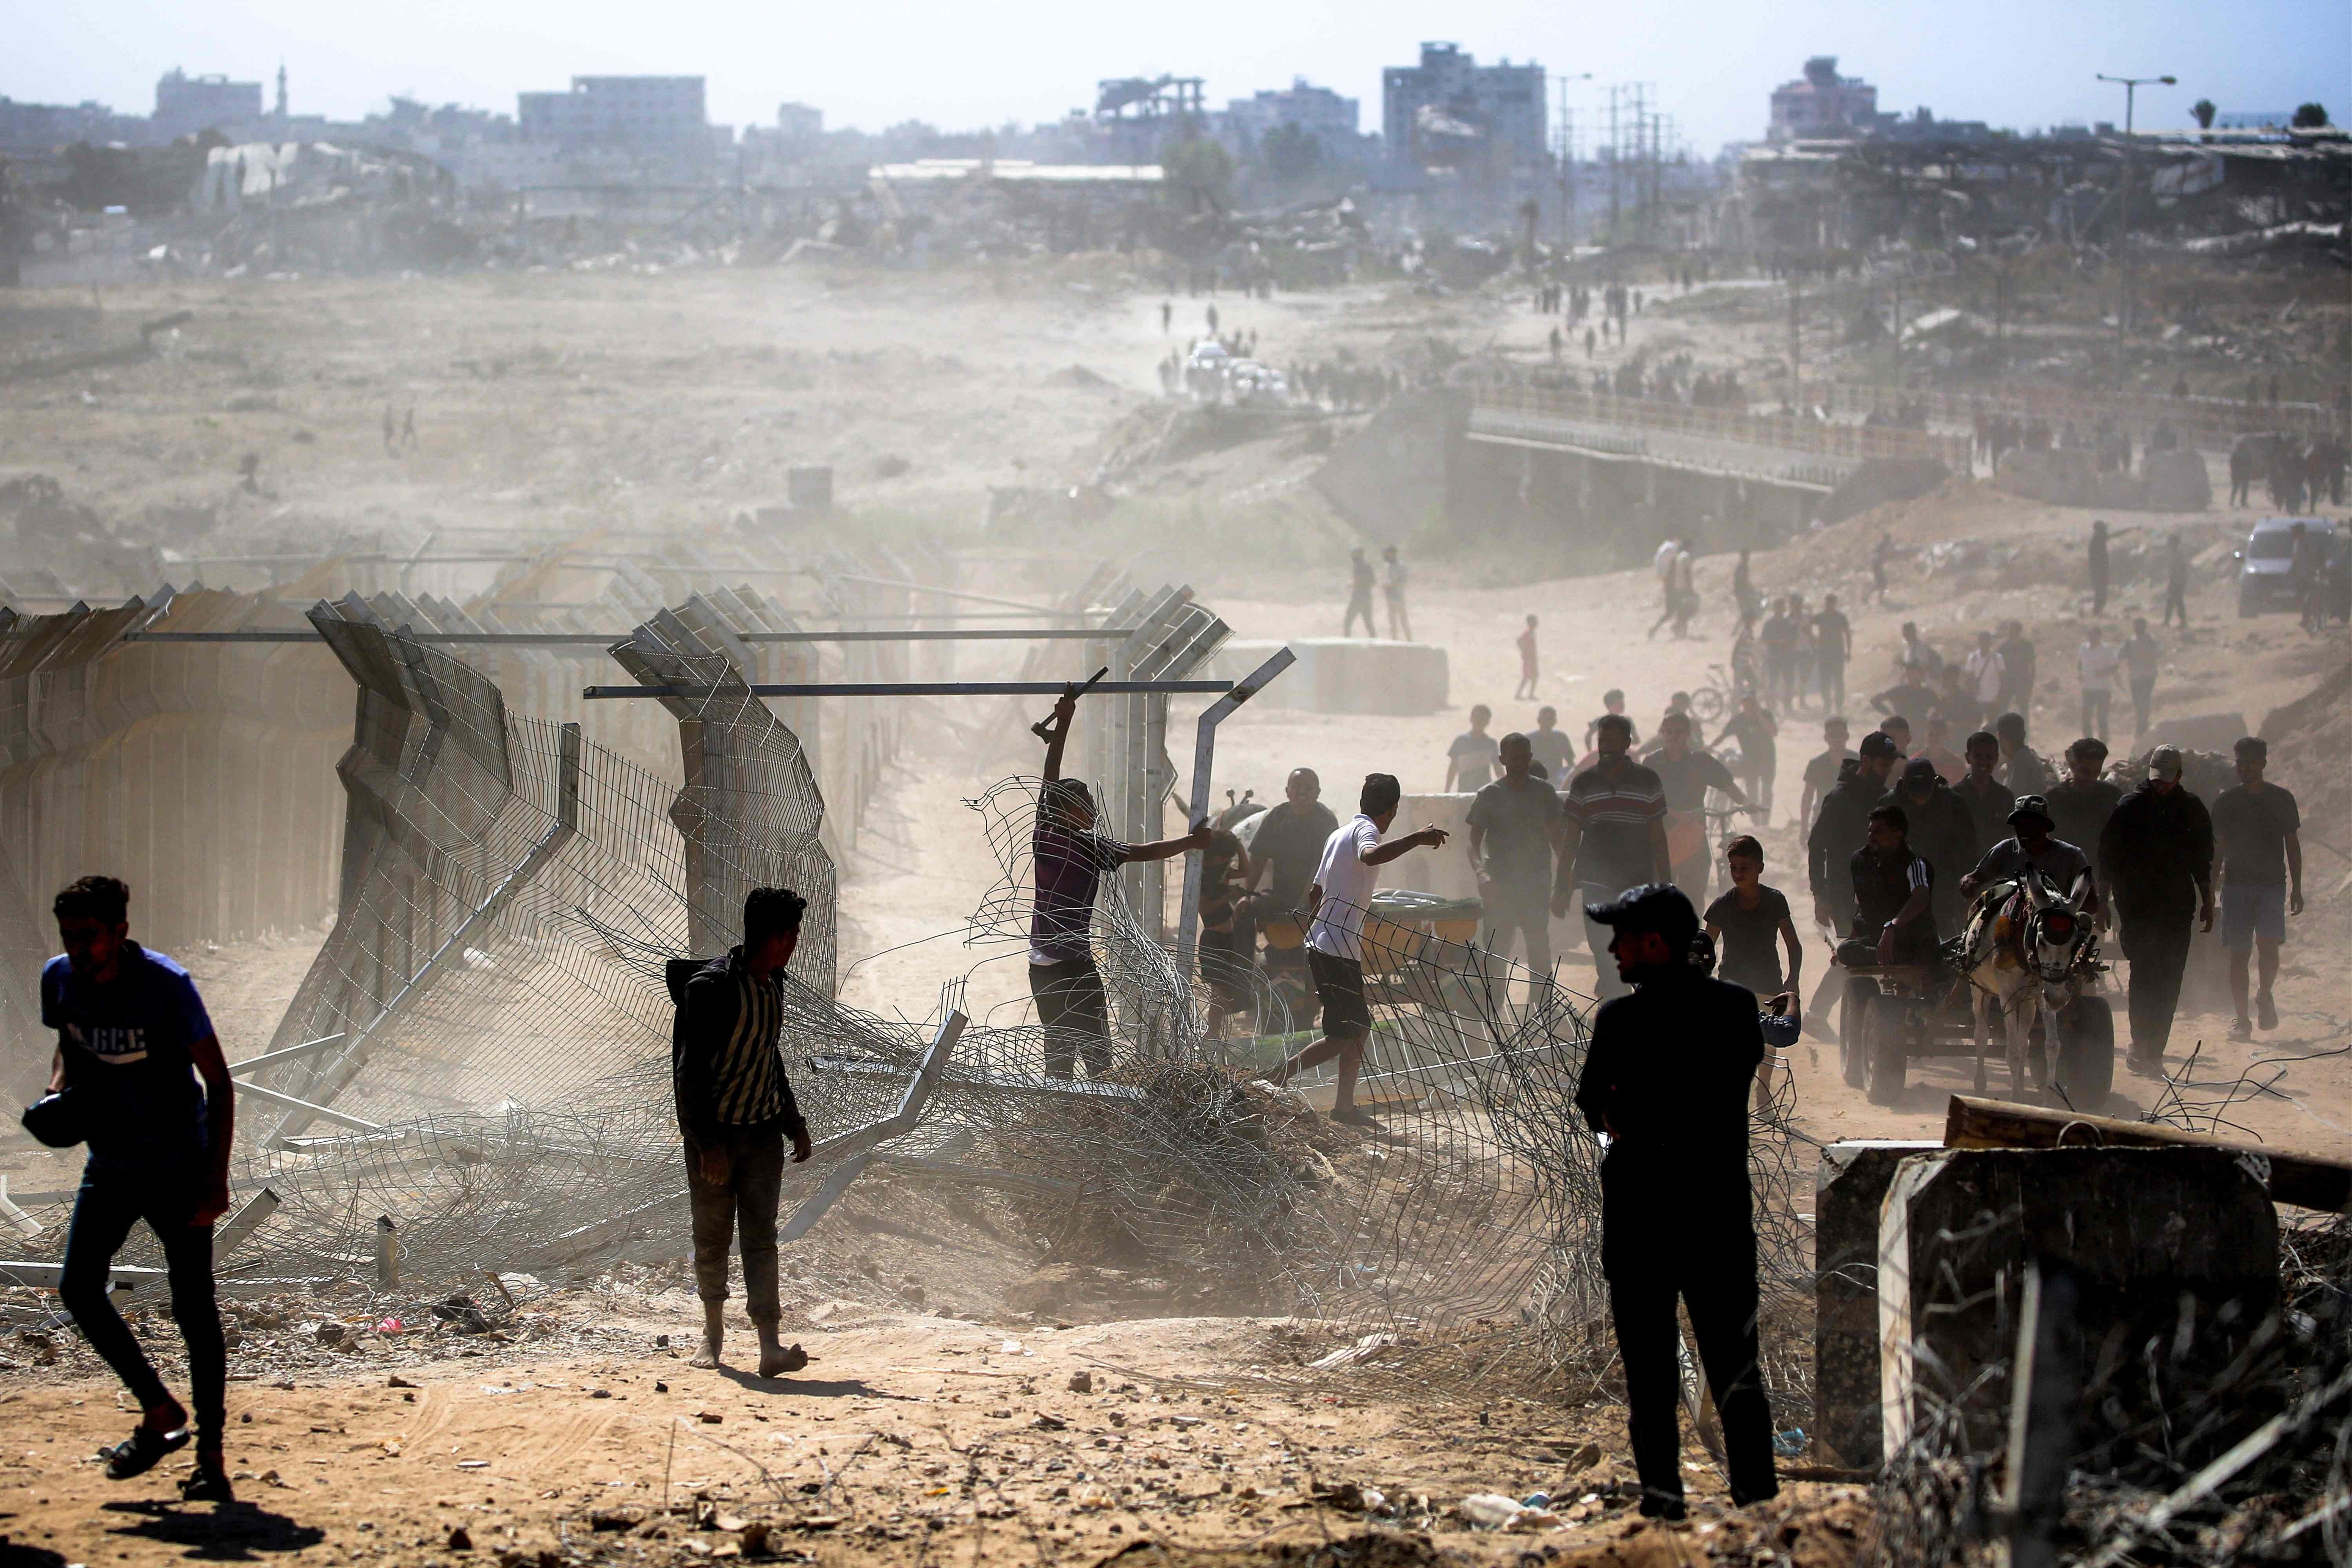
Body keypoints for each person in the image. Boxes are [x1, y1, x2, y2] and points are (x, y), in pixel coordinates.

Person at [1574, 883, 1780, 1521]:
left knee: (1651, 1376)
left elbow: (1594, 1110)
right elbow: (1731, 1082)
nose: (1613, 949)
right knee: (1736, 1368)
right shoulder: (1736, 1009)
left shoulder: (1620, 1021)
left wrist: (1632, 1128)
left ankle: (1664, 1506)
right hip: (1717, 1215)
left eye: (1624, 938)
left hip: (1640, 1218)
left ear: (1657, 943)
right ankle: (1756, 1505)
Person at [43, 875, 236, 1501]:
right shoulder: (60, 978)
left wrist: (216, 1176)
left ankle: (211, 1455)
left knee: (193, 1308)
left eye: (90, 936)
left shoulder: (166, 986)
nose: (79, 947)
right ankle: (159, 1410)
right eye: (70, 936)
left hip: (178, 1164)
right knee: (78, 1287)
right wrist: (56, 1094)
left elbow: (220, 1083)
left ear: (120, 932)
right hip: (112, 1163)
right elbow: (67, 1043)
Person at [671, 886, 818, 1377]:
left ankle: (769, 1346)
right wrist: (707, 1145)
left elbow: (766, 1053)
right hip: (716, 1140)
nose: (794, 943)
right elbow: (689, 1075)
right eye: (789, 934)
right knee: (712, 1239)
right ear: (768, 936)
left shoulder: (775, 982)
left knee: (761, 1239)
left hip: (761, 1136)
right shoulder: (710, 990)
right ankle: (712, 1336)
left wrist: (792, 1121)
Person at [1031, 685, 1210, 1078]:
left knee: (1059, 1053)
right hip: (1072, 965)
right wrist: (1191, 842)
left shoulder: (1044, 830)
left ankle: (1058, 1120)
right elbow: (1144, 851)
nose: (1095, 812)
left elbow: (1051, 777)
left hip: (1042, 965)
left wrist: (1062, 726)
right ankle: (1089, 1120)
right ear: (1070, 810)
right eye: (1088, 807)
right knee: (1098, 1053)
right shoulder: (1090, 846)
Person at [1275, 774, 1449, 1123]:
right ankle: (1273, 1079)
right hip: (1336, 948)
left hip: (1330, 945)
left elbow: (1315, 892)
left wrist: (1320, 927)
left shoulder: (1337, 835)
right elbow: (1370, 857)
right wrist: (1417, 838)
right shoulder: (1366, 832)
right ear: (1393, 809)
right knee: (1345, 1035)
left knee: (1356, 1029)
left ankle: (1343, 1107)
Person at [2098, 747, 2215, 1075]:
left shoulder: (2191, 809)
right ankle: (2141, 1044)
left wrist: (2208, 901)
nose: (2161, 786)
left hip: (2178, 908)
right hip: (2137, 908)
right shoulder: (2129, 808)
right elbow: (2107, 858)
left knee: (2170, 978)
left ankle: (2156, 1051)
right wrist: (2102, 906)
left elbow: (2202, 861)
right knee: (2145, 974)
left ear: (2179, 777)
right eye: (2157, 780)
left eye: (2167, 781)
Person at [1552, 714, 1672, 1000]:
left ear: (1628, 743)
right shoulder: (1584, 783)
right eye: (1602, 740)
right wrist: (1562, 885)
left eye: (1613, 741)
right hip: (1595, 880)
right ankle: (1617, 1005)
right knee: (1602, 949)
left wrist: (1667, 883)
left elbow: (1658, 835)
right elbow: (1571, 838)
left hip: (1638, 880)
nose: (1606, 746)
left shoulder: (1647, 780)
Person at [1806, 731, 1901, 1030]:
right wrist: (1820, 894)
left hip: (1881, 892)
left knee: (1875, 954)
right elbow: (1816, 845)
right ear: (1867, 760)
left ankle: (1862, 1021)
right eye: (1883, 763)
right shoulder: (1839, 798)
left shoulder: (1886, 797)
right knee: (1854, 955)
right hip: (1844, 894)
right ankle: (1824, 1016)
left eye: (1890, 764)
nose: (1887, 769)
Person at [2210, 737, 2303, 1040]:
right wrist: (2210, 888)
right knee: (2239, 954)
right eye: (2239, 763)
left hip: (2272, 885)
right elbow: (2219, 849)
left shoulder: (2281, 799)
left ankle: (2264, 994)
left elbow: (2292, 843)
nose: (2244, 768)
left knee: (2268, 945)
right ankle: (2241, 1019)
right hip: (2236, 886)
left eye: (2249, 763)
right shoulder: (2227, 802)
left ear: (2263, 763)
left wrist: (2297, 887)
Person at [1466, 733, 1563, 988]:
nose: (1519, 762)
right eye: (1514, 757)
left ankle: (1542, 1010)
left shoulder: (1544, 792)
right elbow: (1473, 842)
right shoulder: (1490, 794)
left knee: (1538, 949)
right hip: (1500, 885)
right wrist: (1482, 875)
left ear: (1530, 758)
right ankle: (1493, 1010)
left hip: (1536, 884)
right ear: (1502, 759)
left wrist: (1565, 878)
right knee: (1497, 951)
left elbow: (1558, 839)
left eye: (1524, 757)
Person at [1646, 711, 1746, 904]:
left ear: (1688, 734)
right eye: (1669, 732)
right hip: (1662, 836)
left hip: (1694, 833)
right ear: (1663, 733)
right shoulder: (1652, 762)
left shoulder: (1701, 761)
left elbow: (1729, 787)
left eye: (1679, 732)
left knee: (1694, 893)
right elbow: (1643, 796)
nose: (1673, 736)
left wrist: (1746, 803)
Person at [1704, 835, 1802, 1018]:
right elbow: (1704, 947)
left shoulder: (1775, 901)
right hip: (1732, 987)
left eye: (1745, 868)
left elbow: (1794, 945)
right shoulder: (1722, 906)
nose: (1738, 874)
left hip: (1769, 988)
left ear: (1761, 868)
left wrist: (1793, 979)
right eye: (1734, 868)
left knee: (1767, 1043)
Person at [1958, 796, 2099, 922]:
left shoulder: (2071, 856)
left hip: (2054, 928)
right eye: (2019, 825)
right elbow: (1974, 878)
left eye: (2031, 825)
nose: (2024, 831)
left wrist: (2060, 906)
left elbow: (2092, 904)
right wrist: (1967, 883)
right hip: (2008, 927)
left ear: (2045, 827)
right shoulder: (2006, 850)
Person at [1882, 755, 1978, 938]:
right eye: (1915, 790)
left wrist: (1967, 883)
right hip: (1901, 884)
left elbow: (1968, 848)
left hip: (1944, 884)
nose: (1921, 796)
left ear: (1935, 783)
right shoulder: (1890, 805)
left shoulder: (1953, 804)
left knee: (1947, 938)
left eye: (1925, 790)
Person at [1838, 804, 1939, 969]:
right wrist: (1852, 939)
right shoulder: (1861, 861)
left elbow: (1921, 898)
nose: (1871, 837)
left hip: (1913, 940)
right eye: (1870, 831)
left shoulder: (1914, 864)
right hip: (1877, 938)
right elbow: (1863, 906)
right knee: (1845, 950)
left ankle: (1908, 959)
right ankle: (1889, 957)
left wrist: (1892, 927)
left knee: (1924, 954)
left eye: (1878, 832)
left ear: (1898, 833)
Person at [1247, 768, 1340, 912]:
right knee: (1246, 908)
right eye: (1297, 787)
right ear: (1287, 791)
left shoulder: (1326, 822)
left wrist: (1303, 906)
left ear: (1318, 793)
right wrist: (1247, 895)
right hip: (1281, 895)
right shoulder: (1277, 816)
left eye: (1308, 788)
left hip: (1317, 898)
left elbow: (1320, 869)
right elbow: (1258, 858)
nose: (1302, 792)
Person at [1197, 825, 1258, 1040]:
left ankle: (1212, 1033)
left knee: (1224, 991)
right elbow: (1204, 909)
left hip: (1227, 939)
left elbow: (1245, 871)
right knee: (1219, 992)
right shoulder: (1203, 878)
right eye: (1221, 858)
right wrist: (1228, 895)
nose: (1224, 862)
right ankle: (1211, 1034)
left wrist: (1238, 844)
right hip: (1214, 940)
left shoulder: (1220, 872)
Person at [2044, 739, 2123, 886]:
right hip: (2061, 880)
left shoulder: (2111, 796)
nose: (2091, 778)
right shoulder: (2054, 799)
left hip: (2100, 880)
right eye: (2085, 771)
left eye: (2097, 772)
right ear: (2073, 766)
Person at [1713, 693, 1780, 822]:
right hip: (1750, 761)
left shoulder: (1765, 715)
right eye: (1747, 705)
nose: (1750, 708)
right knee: (1752, 789)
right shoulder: (1738, 720)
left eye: (1752, 705)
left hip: (1768, 760)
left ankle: (1766, 820)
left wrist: (1760, 718)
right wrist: (1710, 747)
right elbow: (1723, 736)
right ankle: (1755, 820)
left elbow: (1774, 732)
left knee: (1767, 790)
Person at [1953, 729, 2016, 855]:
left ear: (1997, 759)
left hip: (1997, 869)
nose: (1984, 762)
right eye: (1978, 756)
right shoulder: (1954, 796)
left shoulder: (2005, 797)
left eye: (1989, 757)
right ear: (1968, 758)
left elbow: (2011, 839)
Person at [1798, 716, 1857, 838]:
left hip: (1852, 822)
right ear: (1826, 738)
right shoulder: (1816, 764)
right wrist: (1804, 828)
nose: (1836, 739)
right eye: (1833, 735)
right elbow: (1808, 797)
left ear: (1847, 736)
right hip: (1823, 821)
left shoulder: (1859, 762)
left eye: (1840, 735)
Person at [1994, 710, 2055, 797]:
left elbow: (2011, 802)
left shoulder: (2022, 763)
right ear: (2024, 735)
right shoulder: (2024, 758)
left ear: (2000, 737)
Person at [2076, 626, 2120, 742]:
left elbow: (2115, 666)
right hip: (2088, 687)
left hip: (2103, 688)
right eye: (2090, 635)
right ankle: (2088, 741)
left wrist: (2105, 673)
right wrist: (2080, 673)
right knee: (2086, 716)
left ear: (2099, 636)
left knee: (2102, 717)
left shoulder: (2107, 650)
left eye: (2094, 636)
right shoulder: (2083, 648)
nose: (2092, 638)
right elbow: (2080, 663)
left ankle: (2104, 742)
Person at [1811, 593, 1852, 715]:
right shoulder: (1820, 617)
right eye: (1829, 603)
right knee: (1825, 681)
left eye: (1832, 603)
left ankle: (1838, 706)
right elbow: (1806, 625)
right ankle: (1828, 705)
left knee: (1838, 681)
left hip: (1837, 653)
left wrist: (1849, 651)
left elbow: (1848, 634)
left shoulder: (1841, 617)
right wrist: (1814, 641)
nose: (1830, 605)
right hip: (1824, 653)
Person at [1446, 704, 1501, 793]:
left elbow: (1498, 769)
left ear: (1488, 722)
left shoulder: (1491, 744)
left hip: (1484, 793)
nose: (1479, 722)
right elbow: (1453, 768)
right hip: (1464, 792)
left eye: (1483, 720)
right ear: (1471, 719)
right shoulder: (1461, 742)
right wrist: (1447, 790)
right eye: (1477, 719)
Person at [2121, 618, 2161, 737]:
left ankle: (2142, 729)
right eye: (2136, 626)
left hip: (2148, 676)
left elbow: (2159, 651)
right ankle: (2142, 727)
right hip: (2135, 677)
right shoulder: (2130, 641)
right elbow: (2122, 655)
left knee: (2144, 702)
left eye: (2140, 625)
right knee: (2138, 703)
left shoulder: (2150, 640)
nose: (2138, 628)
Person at [1962, 632, 2005, 733]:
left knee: (1993, 728)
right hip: (1978, 699)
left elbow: (2003, 679)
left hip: (1993, 699)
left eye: (1987, 641)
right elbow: (1968, 678)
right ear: (1980, 642)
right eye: (1983, 641)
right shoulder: (1973, 658)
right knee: (1975, 727)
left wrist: (2001, 696)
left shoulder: (1997, 658)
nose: (1985, 644)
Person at [1996, 621, 2038, 718]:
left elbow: (2032, 666)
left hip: (2022, 682)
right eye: (2010, 630)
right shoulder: (2004, 647)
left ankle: (2025, 732)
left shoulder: (2027, 646)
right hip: (2007, 682)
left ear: (2018, 631)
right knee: (2003, 709)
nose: (2010, 633)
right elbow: (1999, 667)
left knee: (2024, 711)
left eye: (2013, 630)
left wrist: (2030, 684)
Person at [1528, 705, 1575, 781]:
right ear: (1539, 721)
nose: (1547, 723)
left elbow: (1570, 762)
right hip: (1534, 777)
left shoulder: (1561, 738)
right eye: (1545, 720)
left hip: (1557, 777)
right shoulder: (1529, 739)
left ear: (1555, 722)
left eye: (1550, 720)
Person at [1584, 690, 1639, 755]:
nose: (1623, 706)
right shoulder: (1601, 721)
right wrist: (1590, 753)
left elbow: (1637, 740)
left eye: (1623, 703)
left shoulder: (1628, 721)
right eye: (1620, 704)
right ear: (1610, 706)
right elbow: (1588, 736)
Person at [1919, 715, 1967, 786]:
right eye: (1931, 734)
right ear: (1925, 735)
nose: (1934, 739)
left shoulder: (1957, 763)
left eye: (1938, 734)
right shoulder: (1915, 762)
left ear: (1946, 736)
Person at [1343, 547, 1376, 637]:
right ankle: (1375, 642)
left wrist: (1352, 585)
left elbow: (1358, 581)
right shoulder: (1368, 566)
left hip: (1358, 597)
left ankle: (1347, 644)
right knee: (1368, 623)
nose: (1352, 556)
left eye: (1354, 554)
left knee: (1348, 622)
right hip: (1367, 596)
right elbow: (1374, 582)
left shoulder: (1358, 567)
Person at [1381, 544, 1412, 641]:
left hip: (1399, 597)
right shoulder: (1387, 566)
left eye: (1387, 554)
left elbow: (1404, 581)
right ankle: (1395, 642)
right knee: (1392, 622)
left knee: (1403, 621)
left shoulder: (1401, 566)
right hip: (1390, 597)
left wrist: (1391, 585)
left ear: (1393, 554)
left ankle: (1409, 641)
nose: (1385, 556)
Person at [2163, 532, 2191, 628]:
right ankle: (2175, 622)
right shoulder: (2176, 554)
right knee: (2175, 602)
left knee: (2175, 602)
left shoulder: (2178, 555)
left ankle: (2177, 622)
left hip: (2177, 582)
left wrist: (2174, 582)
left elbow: (2179, 570)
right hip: (2177, 581)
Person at [2088, 520, 2111, 617]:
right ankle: (2097, 612)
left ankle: (2097, 612)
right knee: (2101, 593)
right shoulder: (2097, 540)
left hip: (2099, 571)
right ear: (2099, 530)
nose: (2106, 531)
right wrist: (2130, 530)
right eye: (2104, 529)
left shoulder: (2097, 540)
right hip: (2099, 571)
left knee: (2101, 592)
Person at [1515, 615, 1540, 701]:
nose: (1537, 624)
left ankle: (1531, 694)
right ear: (1530, 623)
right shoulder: (1528, 634)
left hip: (1532, 658)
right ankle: (1519, 694)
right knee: (1527, 677)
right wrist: (1524, 650)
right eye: (1535, 622)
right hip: (1529, 659)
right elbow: (1519, 641)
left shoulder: (1531, 633)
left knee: (1535, 676)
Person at [1871, 533, 1893, 602]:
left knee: (1879, 584)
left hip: (1877, 566)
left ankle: (1867, 596)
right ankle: (1880, 600)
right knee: (1882, 584)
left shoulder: (1881, 545)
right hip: (1878, 567)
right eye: (1890, 540)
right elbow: (1879, 557)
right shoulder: (1883, 546)